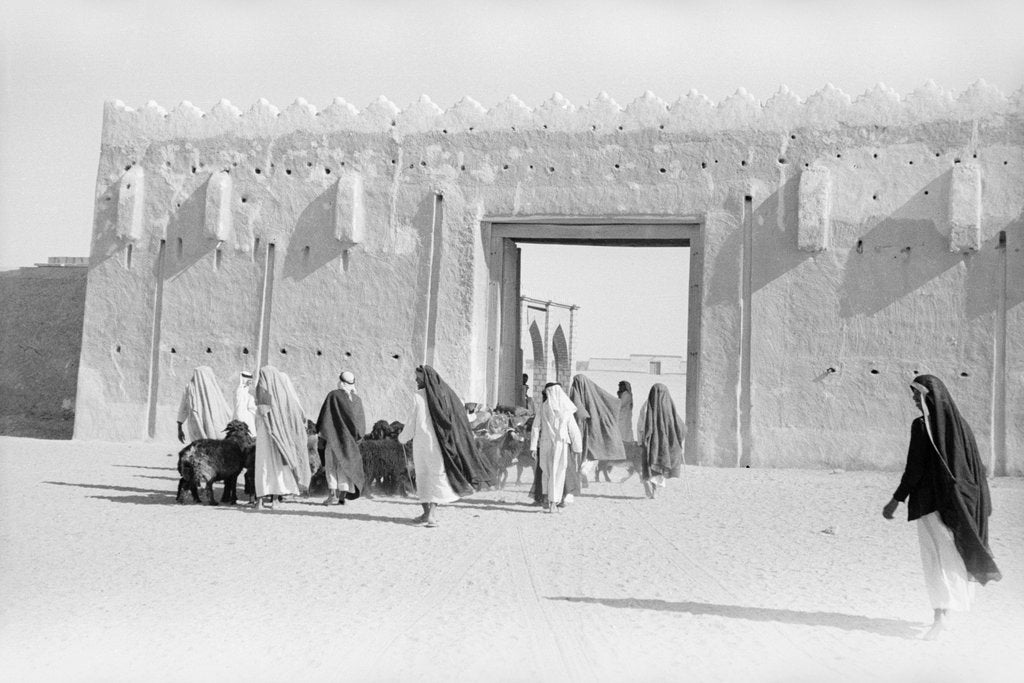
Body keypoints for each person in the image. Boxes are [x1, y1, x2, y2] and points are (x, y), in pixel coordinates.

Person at [882, 375, 1001, 640]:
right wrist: (981, 504)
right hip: (960, 505)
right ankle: (945, 614)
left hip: (931, 505)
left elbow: (914, 469)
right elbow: (977, 470)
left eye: (917, 395)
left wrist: (896, 499)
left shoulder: (922, 426)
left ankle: (941, 618)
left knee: (937, 560)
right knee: (953, 556)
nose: (914, 400)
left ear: (930, 397)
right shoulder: (961, 425)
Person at [398, 365, 496, 527]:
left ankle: (428, 514)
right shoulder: (445, 396)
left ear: (426, 379)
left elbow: (411, 422)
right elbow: (459, 415)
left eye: (418, 377)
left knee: (423, 476)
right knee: (437, 477)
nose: (416, 380)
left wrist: (402, 438)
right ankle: (430, 514)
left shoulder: (418, 397)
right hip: (440, 444)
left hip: (422, 445)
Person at [253, 366, 312, 509]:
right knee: (278, 467)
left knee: (263, 467)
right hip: (280, 437)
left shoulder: (263, 392)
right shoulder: (284, 394)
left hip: (264, 436)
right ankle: (275, 500)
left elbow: (262, 412)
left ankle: (259, 501)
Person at [529, 383, 582, 513]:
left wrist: (533, 446)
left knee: (546, 472)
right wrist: (577, 448)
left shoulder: (543, 407)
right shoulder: (566, 408)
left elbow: (535, 427)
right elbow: (573, 430)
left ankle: (547, 498)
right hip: (560, 444)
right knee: (558, 473)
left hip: (545, 444)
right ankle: (553, 503)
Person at [316, 371, 366, 506]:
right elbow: (360, 424)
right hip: (349, 442)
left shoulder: (333, 396)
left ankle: (332, 495)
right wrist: (356, 439)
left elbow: (325, 416)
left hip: (333, 438)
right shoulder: (357, 400)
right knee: (345, 467)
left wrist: (321, 435)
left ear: (340, 381)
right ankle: (342, 498)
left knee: (331, 466)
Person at [569, 374, 626, 481]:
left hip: (584, 430)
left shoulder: (577, 394)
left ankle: (582, 473)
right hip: (590, 430)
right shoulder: (591, 393)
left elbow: (577, 411)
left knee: (585, 453)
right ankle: (582, 473)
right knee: (590, 453)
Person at [640, 383, 686, 499]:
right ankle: (655, 490)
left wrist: (642, 440)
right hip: (664, 445)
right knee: (660, 465)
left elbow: (641, 426)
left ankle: (650, 486)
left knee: (651, 465)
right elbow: (680, 426)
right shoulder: (669, 407)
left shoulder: (647, 407)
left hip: (651, 443)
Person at [176, 366, 232, 443]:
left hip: (197, 424)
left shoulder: (191, 387)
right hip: (200, 423)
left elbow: (183, 408)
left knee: (201, 446)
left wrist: (179, 427)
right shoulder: (192, 387)